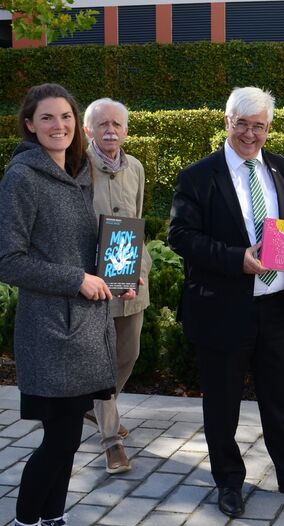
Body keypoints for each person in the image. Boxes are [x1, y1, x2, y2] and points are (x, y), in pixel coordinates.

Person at [168, 86, 284, 518]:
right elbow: (180, 236)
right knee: (223, 403)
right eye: (242, 124)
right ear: (227, 122)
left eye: (259, 126)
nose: (250, 134)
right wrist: (235, 260)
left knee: (282, 396)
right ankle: (228, 481)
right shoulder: (198, 176)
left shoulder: (280, 169)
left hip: (277, 303)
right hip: (224, 307)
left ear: (269, 128)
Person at [0, 83, 114, 526]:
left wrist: (112, 276)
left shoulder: (77, 173)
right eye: (47, 118)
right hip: (50, 331)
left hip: (84, 329)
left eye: (66, 117)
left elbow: (79, 248)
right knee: (59, 437)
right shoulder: (22, 178)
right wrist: (77, 280)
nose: (59, 126)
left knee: (68, 436)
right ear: (30, 124)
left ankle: (52, 521)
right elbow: (10, 260)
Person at [83, 98, 152, 474]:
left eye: (118, 124)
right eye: (102, 124)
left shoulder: (136, 168)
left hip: (132, 276)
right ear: (87, 130)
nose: (111, 130)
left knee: (128, 354)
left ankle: (94, 406)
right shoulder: (77, 168)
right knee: (102, 361)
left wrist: (140, 263)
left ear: (126, 130)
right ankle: (112, 441)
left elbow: (137, 216)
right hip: (94, 281)